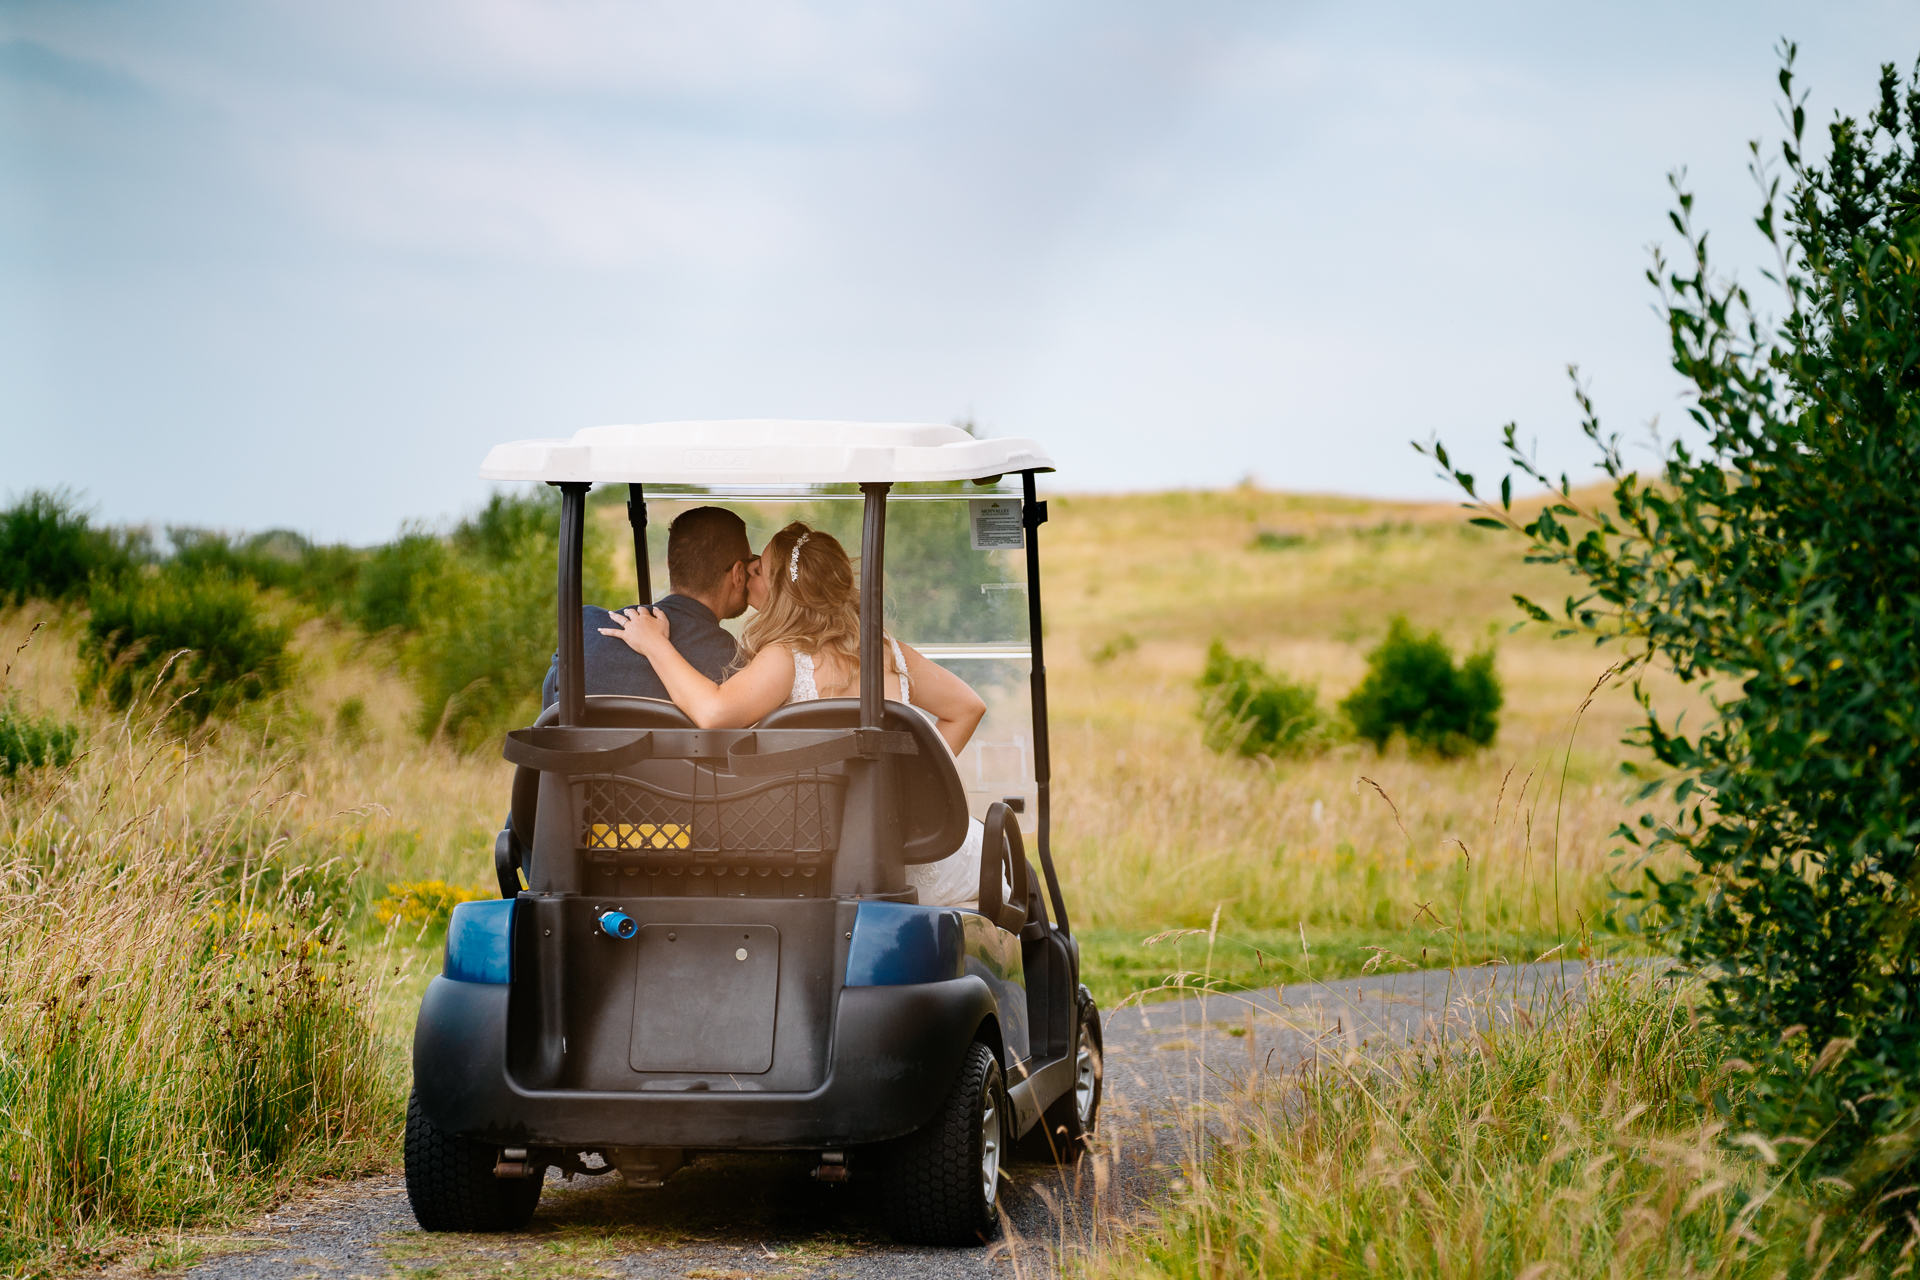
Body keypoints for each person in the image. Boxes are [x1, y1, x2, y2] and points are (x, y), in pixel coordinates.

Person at [597, 521, 991, 907]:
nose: (749, 571)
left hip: (823, 853)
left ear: (783, 591)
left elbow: (714, 712)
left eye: (760, 568)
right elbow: (968, 708)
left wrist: (654, 645)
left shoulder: (788, 658)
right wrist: (911, 791)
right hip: (912, 851)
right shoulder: (888, 651)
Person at [539, 506, 752, 710]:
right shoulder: (734, 666)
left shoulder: (584, 631)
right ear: (738, 574)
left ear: (670, 563)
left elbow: (551, 724)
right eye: (752, 564)